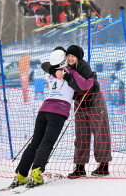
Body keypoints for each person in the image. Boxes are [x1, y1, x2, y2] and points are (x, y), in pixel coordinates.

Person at [11, 47, 95, 188]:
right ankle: (37, 173)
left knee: (35, 142)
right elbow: (84, 85)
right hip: (58, 112)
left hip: (43, 110)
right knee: (47, 143)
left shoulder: (53, 73)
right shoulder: (71, 72)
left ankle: (21, 174)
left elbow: (45, 65)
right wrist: (92, 78)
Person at [41, 45, 112, 178]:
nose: (70, 58)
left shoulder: (84, 66)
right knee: (81, 135)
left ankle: (103, 165)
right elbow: (45, 65)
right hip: (79, 103)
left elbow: (82, 88)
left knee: (100, 132)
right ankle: (80, 167)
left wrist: (68, 78)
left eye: (73, 56)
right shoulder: (64, 67)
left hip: (93, 100)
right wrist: (53, 70)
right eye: (68, 56)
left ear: (78, 57)